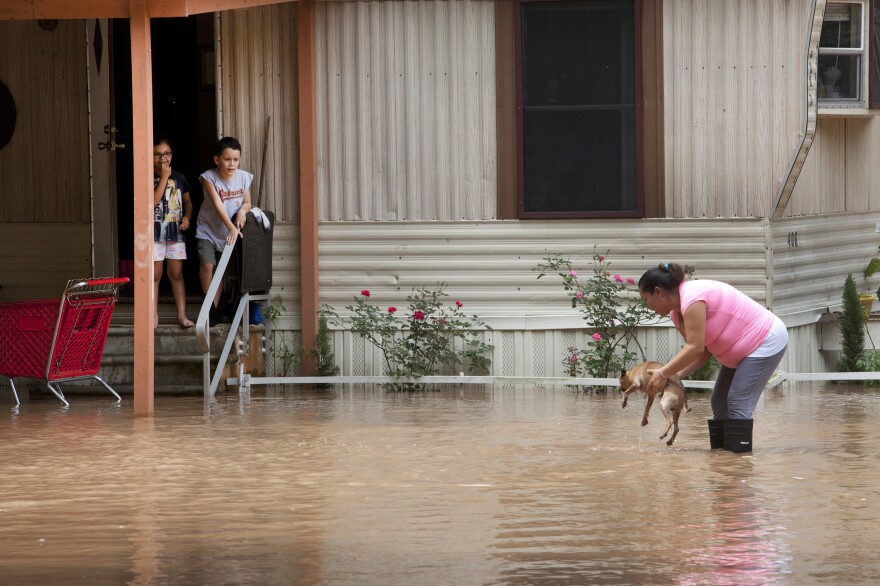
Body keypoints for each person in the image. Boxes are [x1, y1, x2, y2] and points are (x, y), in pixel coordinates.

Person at [639, 262, 788, 453]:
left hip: (765, 340)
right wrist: (674, 377)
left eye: (646, 299)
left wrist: (663, 372)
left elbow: (694, 347)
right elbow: (703, 350)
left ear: (658, 292)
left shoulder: (692, 299)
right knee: (719, 400)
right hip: (740, 350)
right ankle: (722, 464)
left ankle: (738, 467)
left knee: (737, 401)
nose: (647, 305)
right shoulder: (677, 314)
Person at [195, 136, 254, 324]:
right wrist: (232, 228)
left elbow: (247, 202)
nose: (232, 164)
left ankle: (212, 311)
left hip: (228, 233)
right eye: (227, 159)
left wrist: (242, 213)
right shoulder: (208, 177)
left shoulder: (244, 177)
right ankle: (208, 305)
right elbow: (218, 204)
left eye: (236, 159)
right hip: (208, 230)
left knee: (219, 272)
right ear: (217, 159)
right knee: (207, 265)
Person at [152, 136, 193, 329]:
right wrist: (164, 178)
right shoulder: (147, 177)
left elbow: (187, 202)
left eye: (166, 154)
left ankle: (182, 315)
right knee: (155, 274)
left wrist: (188, 217)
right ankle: (152, 316)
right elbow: (152, 201)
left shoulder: (180, 178)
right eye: (157, 155)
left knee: (176, 273)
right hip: (153, 234)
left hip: (175, 233)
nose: (162, 158)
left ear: (172, 155)